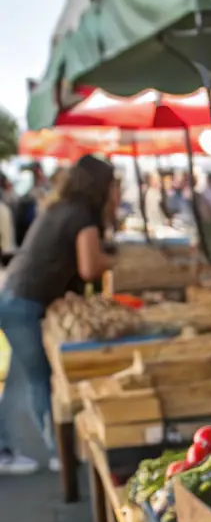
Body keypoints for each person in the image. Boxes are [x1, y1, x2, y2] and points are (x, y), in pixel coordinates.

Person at [0, 155, 119, 474]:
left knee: (20, 379)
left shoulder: (60, 207)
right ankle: (58, 454)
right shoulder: (82, 215)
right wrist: (117, 261)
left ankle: (9, 448)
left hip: (15, 297)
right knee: (39, 380)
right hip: (24, 301)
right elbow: (89, 266)